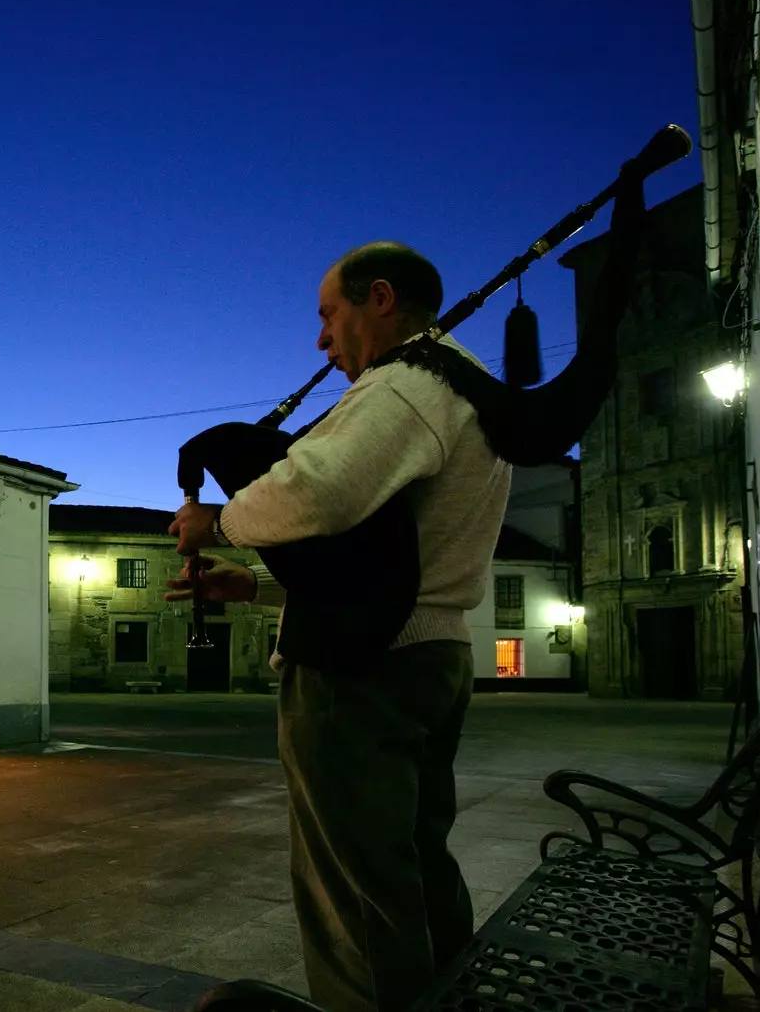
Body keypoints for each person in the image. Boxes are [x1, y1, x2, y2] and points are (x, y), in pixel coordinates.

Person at [167, 242, 511, 1012]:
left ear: (380, 298)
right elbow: (378, 559)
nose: (322, 339)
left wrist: (215, 522)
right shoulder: (465, 387)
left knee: (354, 887)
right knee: (414, 863)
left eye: (329, 314)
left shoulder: (409, 385)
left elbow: (320, 490)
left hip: (365, 672)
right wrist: (254, 589)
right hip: (430, 651)